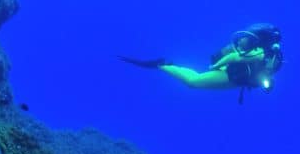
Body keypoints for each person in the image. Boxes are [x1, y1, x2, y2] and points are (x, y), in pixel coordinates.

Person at [119, 23, 283, 103]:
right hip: (230, 75)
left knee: (195, 81)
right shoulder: (261, 54)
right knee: (193, 82)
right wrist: (216, 66)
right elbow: (234, 58)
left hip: (238, 77)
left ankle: (164, 65)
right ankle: (162, 65)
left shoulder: (270, 56)